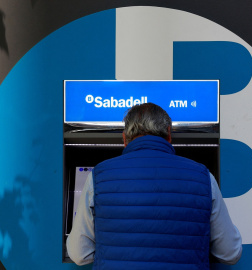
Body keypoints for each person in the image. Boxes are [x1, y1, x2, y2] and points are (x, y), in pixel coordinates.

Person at [67, 102, 242, 269]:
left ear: (124, 139)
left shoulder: (98, 177)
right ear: (169, 134)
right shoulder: (203, 177)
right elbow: (229, 253)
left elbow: (79, 254)